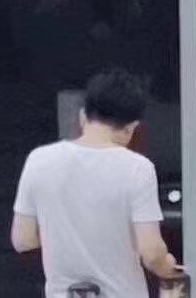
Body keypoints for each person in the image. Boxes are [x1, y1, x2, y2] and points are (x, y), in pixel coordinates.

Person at [11, 69, 177, 298]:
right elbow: (151, 252)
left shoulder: (39, 160)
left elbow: (23, 240)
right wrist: (168, 266)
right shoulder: (137, 168)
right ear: (131, 127)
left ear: (82, 116)